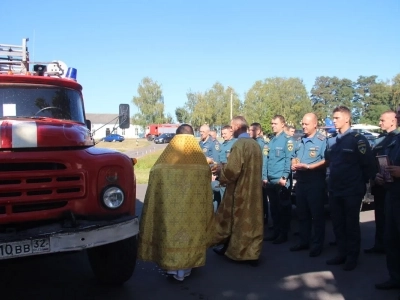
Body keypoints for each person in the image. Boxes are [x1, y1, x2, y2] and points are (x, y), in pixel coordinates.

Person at [138, 124, 215, 281]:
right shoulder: (201, 165)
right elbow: (208, 180)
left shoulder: (161, 165)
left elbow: (154, 176)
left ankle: (172, 268)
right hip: (193, 210)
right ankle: (187, 267)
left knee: (171, 234)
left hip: (170, 210)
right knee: (190, 233)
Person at [325, 106, 373, 271]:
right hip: (335, 189)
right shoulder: (332, 140)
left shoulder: (357, 139)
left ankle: (352, 257)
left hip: (351, 190)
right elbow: (329, 161)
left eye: (337, 118)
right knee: (338, 224)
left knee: (351, 225)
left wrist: (360, 185)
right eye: (334, 118)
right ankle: (342, 253)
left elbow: (368, 164)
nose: (334, 121)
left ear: (347, 119)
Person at [211, 116, 263, 266]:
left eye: (232, 127)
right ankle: (253, 252)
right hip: (254, 190)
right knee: (252, 221)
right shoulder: (254, 144)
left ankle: (238, 252)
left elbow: (232, 170)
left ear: (236, 127)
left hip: (240, 190)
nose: (231, 129)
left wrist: (221, 171)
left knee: (236, 220)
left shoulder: (239, 145)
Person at [290, 113, 327, 257]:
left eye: (306, 124)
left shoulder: (322, 141)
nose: (303, 127)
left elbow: (326, 160)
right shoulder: (300, 141)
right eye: (302, 124)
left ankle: (317, 244)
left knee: (316, 215)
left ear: (315, 124)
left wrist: (310, 167)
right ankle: (303, 241)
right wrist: (294, 163)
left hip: (315, 183)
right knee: (302, 214)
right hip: (301, 182)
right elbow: (294, 156)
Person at [365, 111, 399, 254]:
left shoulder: (396, 139)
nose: (380, 123)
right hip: (381, 185)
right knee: (381, 217)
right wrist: (374, 176)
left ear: (393, 121)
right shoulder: (379, 140)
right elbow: (372, 162)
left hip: (395, 186)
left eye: (382, 120)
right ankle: (380, 244)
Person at [375, 106, 400, 291]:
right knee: (391, 239)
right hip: (392, 193)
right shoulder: (395, 139)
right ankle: (395, 278)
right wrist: (383, 175)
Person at [263, 115, 294, 244]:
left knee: (283, 208)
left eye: (275, 123)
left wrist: (284, 177)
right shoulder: (270, 141)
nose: (273, 125)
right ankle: (276, 232)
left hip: (280, 180)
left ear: (282, 124)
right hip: (270, 180)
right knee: (274, 209)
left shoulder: (288, 140)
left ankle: (283, 234)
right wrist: (264, 177)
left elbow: (288, 160)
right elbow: (265, 160)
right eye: (272, 123)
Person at [250, 122, 270, 225]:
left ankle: (264, 219)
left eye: (252, 130)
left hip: (259, 177)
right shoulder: (250, 143)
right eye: (249, 130)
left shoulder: (262, 145)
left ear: (258, 131)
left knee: (262, 200)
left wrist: (263, 177)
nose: (250, 132)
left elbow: (265, 161)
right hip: (251, 177)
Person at [217, 125, 237, 201]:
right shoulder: (222, 145)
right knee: (223, 199)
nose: (223, 136)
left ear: (231, 132)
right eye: (222, 134)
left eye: (225, 134)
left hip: (231, 175)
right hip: (222, 175)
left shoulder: (235, 144)